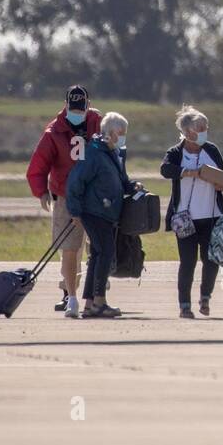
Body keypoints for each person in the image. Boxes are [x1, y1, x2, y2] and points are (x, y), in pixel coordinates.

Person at [26, 84, 101, 318]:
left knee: (98, 247)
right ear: (66, 105)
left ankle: (97, 294)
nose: (77, 112)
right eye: (73, 108)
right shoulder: (54, 132)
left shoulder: (98, 123)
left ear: (88, 105)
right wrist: (41, 192)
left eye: (81, 108)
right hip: (66, 197)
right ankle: (70, 294)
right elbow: (38, 165)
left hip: (95, 195)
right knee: (70, 248)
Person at [65, 112, 137, 319]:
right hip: (94, 212)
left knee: (98, 255)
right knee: (105, 252)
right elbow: (75, 182)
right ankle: (99, 302)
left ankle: (90, 304)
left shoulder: (111, 152)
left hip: (106, 212)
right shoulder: (94, 153)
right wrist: (75, 211)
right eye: (121, 133)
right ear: (111, 132)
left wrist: (132, 186)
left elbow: (122, 179)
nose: (123, 137)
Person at [161, 106, 223, 319]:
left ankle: (205, 297)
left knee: (211, 260)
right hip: (185, 218)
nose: (204, 131)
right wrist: (190, 172)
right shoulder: (175, 152)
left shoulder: (211, 149)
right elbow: (165, 170)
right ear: (188, 132)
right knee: (188, 261)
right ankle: (184, 305)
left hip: (212, 215)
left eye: (205, 127)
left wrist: (221, 184)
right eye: (201, 128)